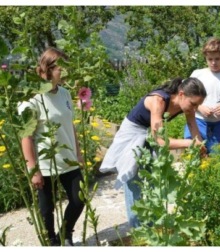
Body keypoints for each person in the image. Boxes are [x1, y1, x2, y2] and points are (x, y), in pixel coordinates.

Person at [99, 77, 207, 228]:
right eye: (194, 104)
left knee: (154, 180)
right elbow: (160, 141)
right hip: (133, 133)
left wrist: (201, 148)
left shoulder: (187, 106)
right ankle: (138, 229)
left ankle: (151, 225)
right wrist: (190, 143)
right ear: (181, 94)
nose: (195, 109)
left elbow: (192, 125)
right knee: (134, 180)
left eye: (198, 105)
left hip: (150, 133)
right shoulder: (158, 101)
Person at [18, 47, 84, 246]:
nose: (64, 73)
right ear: (48, 69)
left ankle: (66, 234)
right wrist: (33, 169)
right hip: (45, 162)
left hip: (68, 159)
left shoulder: (64, 93)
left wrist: (78, 152)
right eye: (60, 69)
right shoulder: (32, 98)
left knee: (79, 199)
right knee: (47, 209)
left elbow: (70, 125)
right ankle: (51, 242)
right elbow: (26, 136)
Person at [183, 37, 220, 153]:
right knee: (194, 154)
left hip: (219, 124)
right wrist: (199, 107)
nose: (214, 63)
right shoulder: (197, 74)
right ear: (206, 58)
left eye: (217, 59)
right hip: (198, 121)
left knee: (216, 157)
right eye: (210, 59)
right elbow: (185, 99)